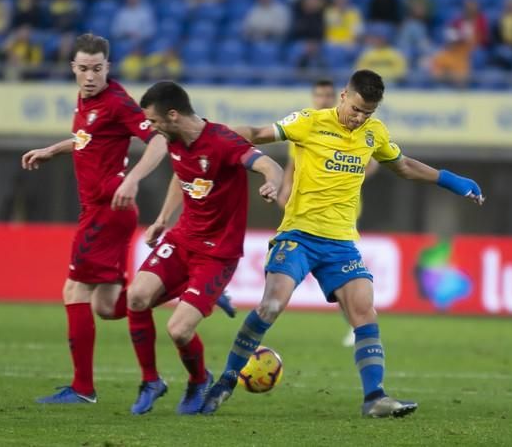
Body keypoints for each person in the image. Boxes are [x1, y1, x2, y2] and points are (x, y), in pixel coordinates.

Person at [202, 69, 484, 418]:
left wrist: (452, 180)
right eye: (356, 109)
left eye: (368, 113)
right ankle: (226, 381)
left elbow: (405, 165)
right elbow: (259, 133)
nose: (359, 118)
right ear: (343, 96)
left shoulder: (373, 134)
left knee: (365, 309)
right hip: (298, 235)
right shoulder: (309, 122)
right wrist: (209, 134)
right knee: (271, 307)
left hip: (341, 243)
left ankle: (375, 398)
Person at [20, 34, 232, 404]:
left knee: (73, 291)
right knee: (106, 306)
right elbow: (89, 138)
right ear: (73, 68)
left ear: (108, 67)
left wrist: (132, 179)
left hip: (106, 210)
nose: (90, 76)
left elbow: (159, 141)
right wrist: (54, 149)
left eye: (97, 69)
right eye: (83, 69)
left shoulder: (116, 102)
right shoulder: (86, 100)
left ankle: (83, 388)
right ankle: (193, 291)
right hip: (103, 211)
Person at [124, 81, 283, 415]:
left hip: (217, 254)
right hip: (182, 240)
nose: (150, 128)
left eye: (153, 121)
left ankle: (199, 379)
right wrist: (164, 219)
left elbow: (270, 165)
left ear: (172, 115)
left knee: (178, 330)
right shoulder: (175, 141)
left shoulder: (224, 142)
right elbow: (182, 177)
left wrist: (271, 183)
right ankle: (151, 380)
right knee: (135, 297)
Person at [277, 79, 377, 348]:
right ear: (313, 96)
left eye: (327, 95)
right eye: (318, 94)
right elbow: (293, 163)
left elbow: (375, 161)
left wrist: (344, 179)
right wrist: (285, 188)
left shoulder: (353, 128)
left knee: (344, 276)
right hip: (306, 213)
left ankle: (354, 325)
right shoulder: (308, 124)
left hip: (341, 216)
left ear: (338, 97)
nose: (322, 99)